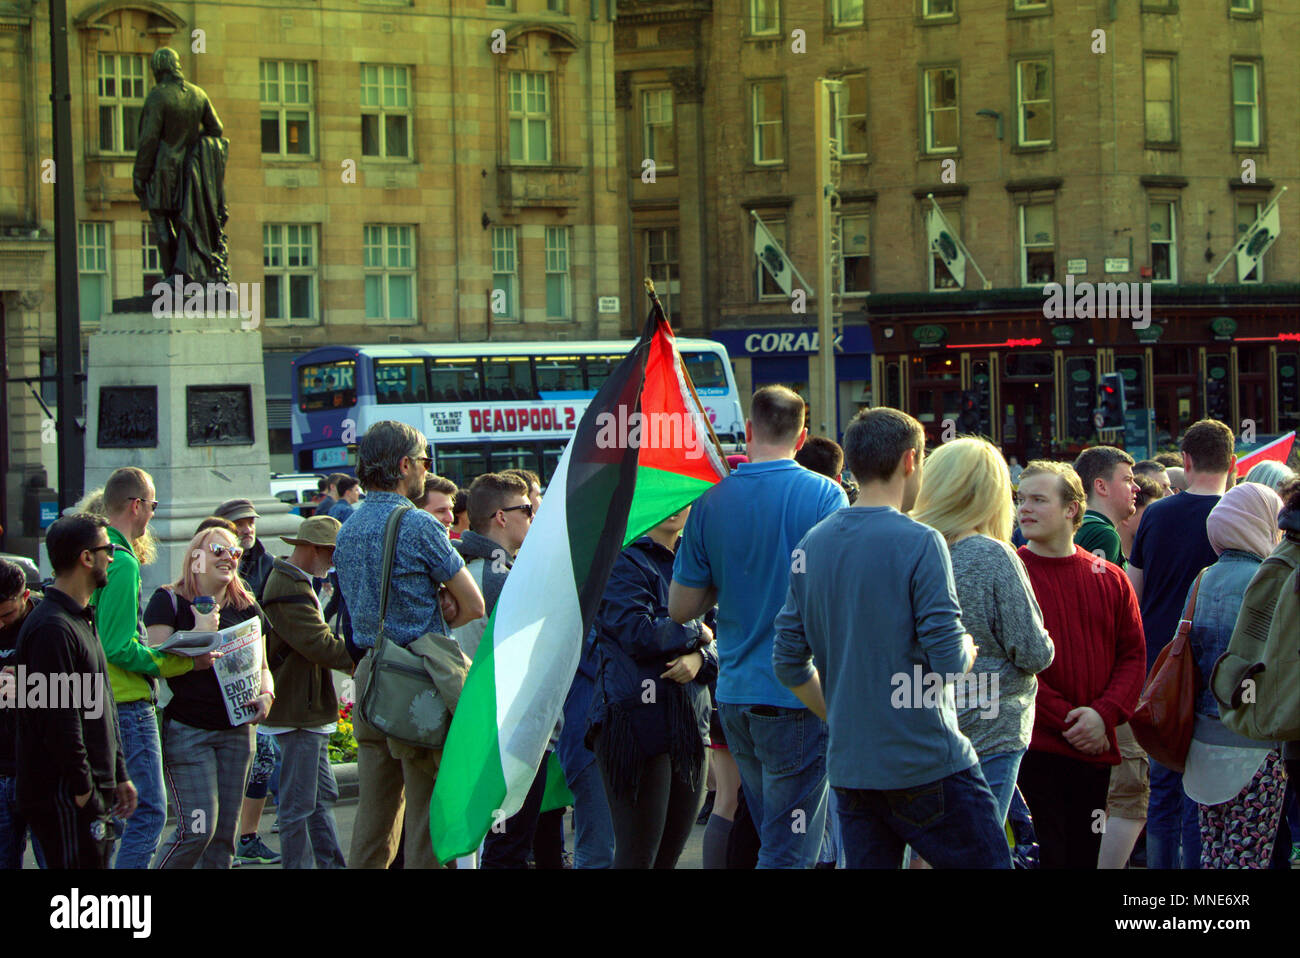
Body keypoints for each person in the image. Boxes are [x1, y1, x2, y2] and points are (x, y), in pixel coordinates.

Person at [772, 410, 1011, 869]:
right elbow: (947, 659)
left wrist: (837, 712)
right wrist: (967, 648)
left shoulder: (812, 544)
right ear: (910, 461)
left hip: (852, 767)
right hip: (926, 758)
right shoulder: (920, 541)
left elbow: (787, 661)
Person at [669, 385, 847, 868]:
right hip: (798, 694)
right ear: (802, 434)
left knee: (773, 832)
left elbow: (680, 607)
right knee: (790, 849)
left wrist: (721, 582)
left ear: (749, 430)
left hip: (736, 694)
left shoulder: (710, 500)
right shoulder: (826, 494)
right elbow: (839, 594)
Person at [333, 421, 484, 869]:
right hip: (417, 686)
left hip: (371, 681)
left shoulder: (349, 527)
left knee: (374, 822)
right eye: (422, 461)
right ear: (403, 466)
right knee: (423, 822)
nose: (426, 470)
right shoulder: (417, 524)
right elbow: (473, 604)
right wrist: (445, 603)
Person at [911, 437, 1056, 826]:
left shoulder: (908, 546)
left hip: (917, 720)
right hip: (991, 728)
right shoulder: (992, 555)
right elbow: (1033, 651)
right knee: (981, 844)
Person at [1015, 461, 1147, 869]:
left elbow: (1133, 656)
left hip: (1094, 750)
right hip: (1032, 749)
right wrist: (1074, 719)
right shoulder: (1010, 572)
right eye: (1021, 499)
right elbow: (1011, 662)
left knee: (1084, 858)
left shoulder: (1109, 578)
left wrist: (1103, 715)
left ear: (1073, 508)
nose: (1025, 509)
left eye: (1038, 499)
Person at [1128, 419, 1236, 870]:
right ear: (1232, 462)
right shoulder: (1237, 515)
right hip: (1218, 669)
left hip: (1161, 665)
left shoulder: (1156, 514)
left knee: (1164, 785)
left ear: (1186, 461)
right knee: (1202, 785)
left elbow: (1133, 592)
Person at [587, 508, 717, 868]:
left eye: (682, 497)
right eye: (663, 494)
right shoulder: (622, 557)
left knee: (668, 856)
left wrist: (702, 658)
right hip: (635, 723)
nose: (674, 507)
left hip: (691, 722)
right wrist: (698, 635)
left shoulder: (696, 559)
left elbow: (726, 638)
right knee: (637, 857)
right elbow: (637, 632)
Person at [93, 467, 210, 869]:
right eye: (154, 505)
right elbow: (118, 647)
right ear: (137, 505)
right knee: (148, 813)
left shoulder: (94, 550)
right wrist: (179, 662)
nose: (153, 515)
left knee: (118, 816)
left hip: (101, 701)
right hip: (127, 702)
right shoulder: (121, 561)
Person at [144, 526, 273, 869]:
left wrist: (267, 693)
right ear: (196, 556)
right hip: (190, 733)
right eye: (218, 549)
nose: (228, 557)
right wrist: (199, 635)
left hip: (237, 732)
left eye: (235, 552)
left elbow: (262, 666)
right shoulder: (168, 600)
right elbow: (154, 661)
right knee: (198, 830)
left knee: (223, 839)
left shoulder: (246, 606)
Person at [15, 514, 137, 869]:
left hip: (91, 791)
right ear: (87, 557)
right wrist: (84, 790)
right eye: (108, 549)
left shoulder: (82, 617)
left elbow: (100, 705)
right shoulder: (52, 627)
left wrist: (119, 774)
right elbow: (58, 720)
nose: (112, 557)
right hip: (65, 797)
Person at [1184, 482, 1286, 868]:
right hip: (1255, 746)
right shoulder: (1271, 581)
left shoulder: (1202, 580)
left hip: (1202, 741)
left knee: (1213, 851)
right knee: (1248, 855)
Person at [260, 515, 354, 869]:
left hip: (305, 708)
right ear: (314, 549)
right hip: (299, 710)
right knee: (300, 804)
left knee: (319, 797)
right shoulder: (288, 586)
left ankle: (331, 864)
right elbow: (319, 644)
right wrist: (362, 655)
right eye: (331, 553)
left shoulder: (292, 581)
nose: (333, 562)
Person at [1099, 471, 1168, 868]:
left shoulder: (1119, 565)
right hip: (1114, 704)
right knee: (1128, 794)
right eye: (1128, 481)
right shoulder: (1106, 547)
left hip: (1112, 704)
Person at [132, 47, 224, 280]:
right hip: (189, 172)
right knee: (183, 223)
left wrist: (140, 174)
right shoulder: (198, 94)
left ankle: (173, 276)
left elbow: (149, 139)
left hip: (162, 171)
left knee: (162, 226)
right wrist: (194, 145)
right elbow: (216, 129)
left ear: (157, 69)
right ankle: (184, 274)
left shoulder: (158, 96)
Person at [0, 558, 44, 868]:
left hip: (42, 769)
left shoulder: (48, 622)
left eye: (7, 614)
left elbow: (87, 691)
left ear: (25, 597)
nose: (1, 624)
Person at [1072, 446, 1138, 567]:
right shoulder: (1103, 534)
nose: (1136, 488)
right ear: (1101, 486)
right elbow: (1097, 585)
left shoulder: (1072, 525)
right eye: (1128, 480)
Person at [213, 499, 275, 602]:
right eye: (239, 524)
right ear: (223, 529)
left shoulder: (269, 563)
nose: (248, 530)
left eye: (251, 523)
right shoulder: (208, 562)